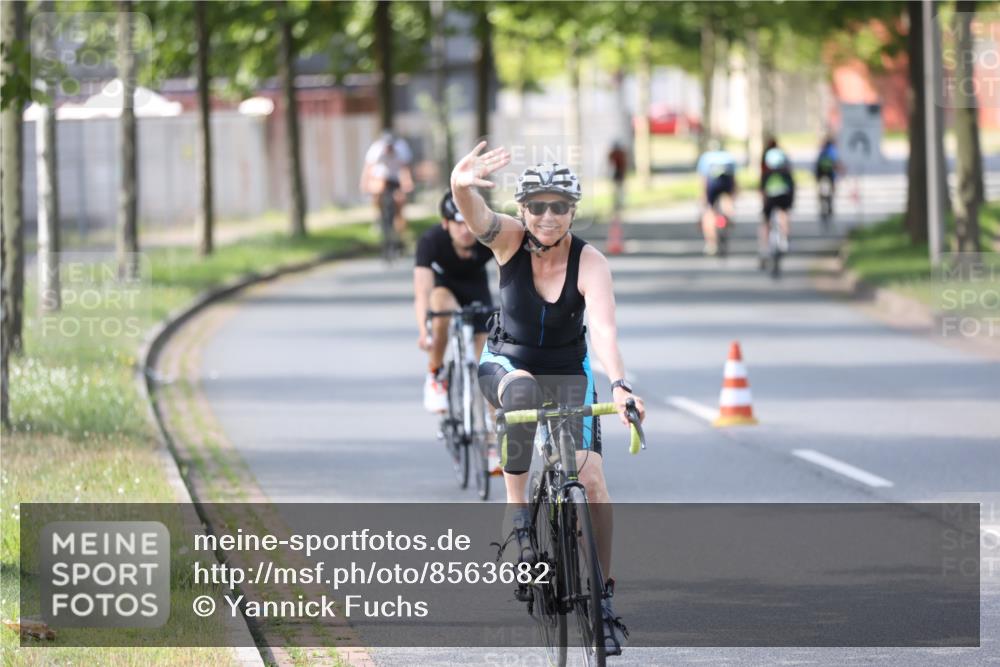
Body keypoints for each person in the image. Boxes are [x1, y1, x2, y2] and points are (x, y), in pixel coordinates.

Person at [450, 142, 647, 655]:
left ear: (573, 210)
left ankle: (602, 598)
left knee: (593, 477)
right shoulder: (508, 240)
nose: (547, 215)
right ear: (523, 209)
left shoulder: (591, 261)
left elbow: (603, 329)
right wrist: (459, 182)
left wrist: (621, 384)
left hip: (567, 370)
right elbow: (475, 215)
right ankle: (517, 514)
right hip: (507, 364)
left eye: (559, 205)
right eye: (537, 205)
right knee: (522, 393)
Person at [414, 191, 495, 413]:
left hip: (477, 290)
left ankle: (490, 438)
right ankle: (436, 374)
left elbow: (509, 276)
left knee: (489, 364)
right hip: (444, 288)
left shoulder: (487, 238)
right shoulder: (431, 241)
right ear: (445, 223)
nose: (465, 231)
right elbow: (422, 291)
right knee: (440, 310)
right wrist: (424, 330)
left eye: (469, 223)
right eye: (458, 224)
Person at [360, 131, 414, 240]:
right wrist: (364, 184)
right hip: (381, 175)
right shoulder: (376, 150)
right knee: (377, 191)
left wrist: (408, 183)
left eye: (390, 146)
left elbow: (405, 169)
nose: (388, 149)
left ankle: (400, 228)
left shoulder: (401, 149)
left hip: (396, 176)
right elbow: (368, 169)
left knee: (400, 200)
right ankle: (377, 217)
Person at [695, 139, 738, 255]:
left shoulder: (706, 157)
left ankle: (711, 244)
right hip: (726, 182)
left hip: (712, 183)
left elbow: (703, 179)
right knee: (727, 202)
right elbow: (734, 179)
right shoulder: (728, 157)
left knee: (708, 212)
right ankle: (729, 217)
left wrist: (703, 196)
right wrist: (733, 196)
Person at [759, 139, 795, 265]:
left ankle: (764, 249)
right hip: (784, 197)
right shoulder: (786, 173)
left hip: (770, 199)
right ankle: (785, 239)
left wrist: (763, 203)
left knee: (765, 222)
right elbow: (792, 188)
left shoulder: (766, 174)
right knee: (784, 214)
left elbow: (762, 190)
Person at [608, 141, 628, 216]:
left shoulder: (619, 154)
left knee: (619, 190)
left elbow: (623, 165)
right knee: (617, 190)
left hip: (619, 174)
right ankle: (617, 204)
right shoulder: (616, 154)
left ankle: (619, 204)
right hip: (616, 174)